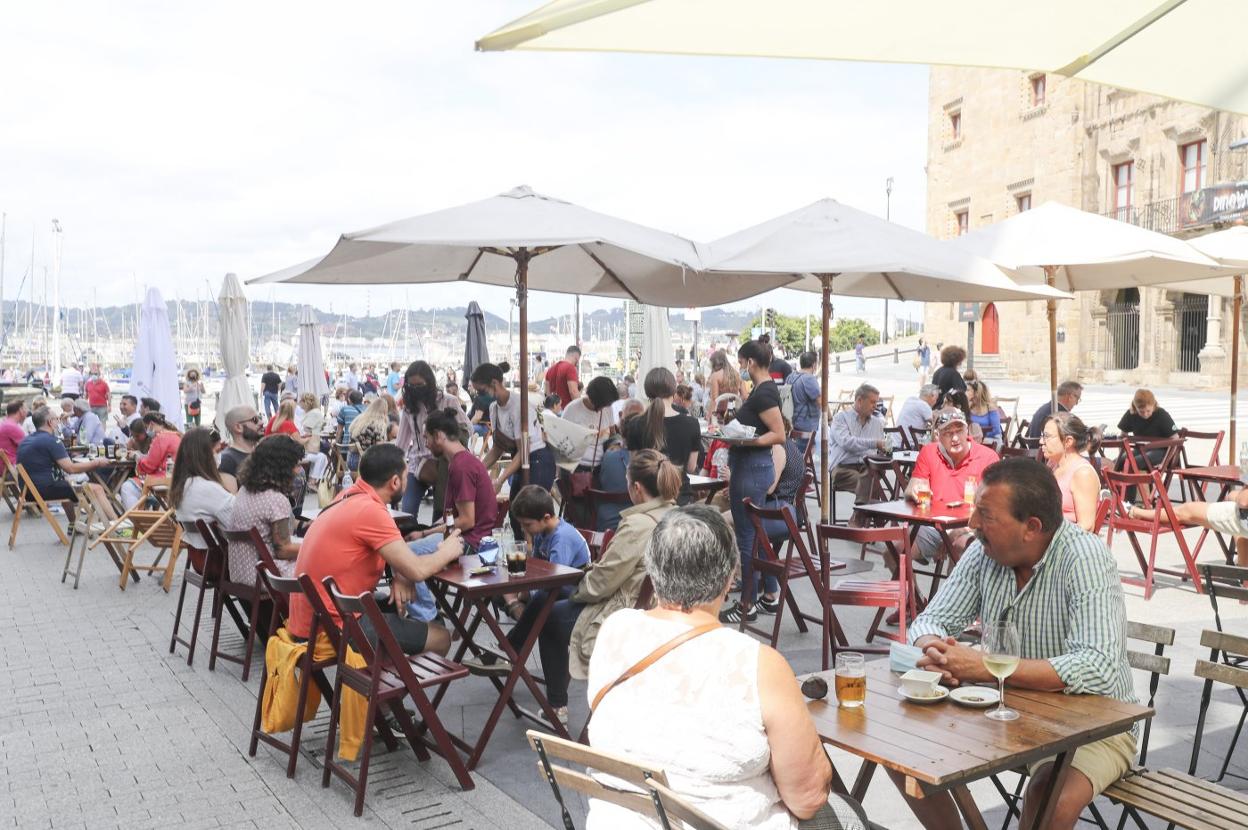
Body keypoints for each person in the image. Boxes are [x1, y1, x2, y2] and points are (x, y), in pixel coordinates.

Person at [587, 506, 868, 830]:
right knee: (849, 815)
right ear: (729, 577)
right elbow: (808, 797)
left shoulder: (615, 630)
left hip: (622, 821)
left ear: (652, 570)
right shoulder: (757, 663)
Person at [897, 458, 1136, 830]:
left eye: (986, 516)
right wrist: (936, 650)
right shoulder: (985, 552)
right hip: (1002, 713)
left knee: (1048, 796)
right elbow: (931, 620)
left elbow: (1097, 667)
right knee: (901, 750)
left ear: (1032, 527)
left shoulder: (1084, 558)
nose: (973, 525)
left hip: (1091, 725)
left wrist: (984, 665)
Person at [286, 443, 461, 656]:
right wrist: (448, 550)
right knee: (441, 638)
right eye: (406, 477)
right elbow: (418, 570)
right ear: (395, 482)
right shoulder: (371, 511)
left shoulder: (349, 496)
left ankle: (387, 677)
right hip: (334, 627)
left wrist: (401, 575)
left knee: (392, 604)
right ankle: (396, 686)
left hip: (313, 619)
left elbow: (395, 558)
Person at [463, 485, 589, 726]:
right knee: (511, 596)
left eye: (527, 525)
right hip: (556, 592)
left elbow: (554, 580)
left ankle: (510, 649)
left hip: (575, 595)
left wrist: (522, 595)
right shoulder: (543, 532)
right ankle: (511, 650)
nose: (524, 530)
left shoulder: (561, 538)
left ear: (546, 517)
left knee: (542, 605)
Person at [568, 449, 680, 680]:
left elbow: (602, 583)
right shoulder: (678, 515)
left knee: (549, 614)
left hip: (631, 614)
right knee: (550, 604)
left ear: (636, 488)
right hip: (667, 614)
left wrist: (574, 589)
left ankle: (557, 704)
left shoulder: (638, 525)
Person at [403, 409, 499, 622]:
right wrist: (424, 533)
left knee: (404, 555)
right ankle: (425, 612)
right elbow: (452, 518)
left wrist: (426, 532)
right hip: (469, 537)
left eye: (427, 437)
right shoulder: (460, 461)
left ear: (439, 436)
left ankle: (427, 617)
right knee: (408, 545)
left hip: (472, 543)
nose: (426, 444)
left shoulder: (461, 466)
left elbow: (466, 520)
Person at [721, 340, 787, 624]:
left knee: (746, 537)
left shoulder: (764, 393)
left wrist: (748, 440)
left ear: (749, 362)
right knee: (754, 534)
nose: (740, 368)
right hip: (752, 467)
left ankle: (746, 604)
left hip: (751, 468)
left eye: (741, 363)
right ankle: (769, 595)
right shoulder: (763, 390)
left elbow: (779, 433)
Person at [904, 411, 999, 559]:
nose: (955, 438)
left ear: (967, 430)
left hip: (971, 526)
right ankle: (912, 584)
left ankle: (956, 581)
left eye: (959, 431)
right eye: (948, 433)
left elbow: (995, 506)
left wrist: (958, 531)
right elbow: (912, 488)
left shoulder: (987, 457)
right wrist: (914, 491)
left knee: (962, 547)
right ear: (938, 435)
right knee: (896, 551)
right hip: (934, 525)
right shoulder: (929, 452)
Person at [395, 360, 471, 517]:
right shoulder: (409, 407)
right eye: (412, 386)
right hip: (418, 465)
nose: (416, 390)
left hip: (445, 464)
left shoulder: (449, 401)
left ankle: (431, 538)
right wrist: (394, 465)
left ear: (429, 382)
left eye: (420, 385)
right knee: (407, 511)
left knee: (442, 512)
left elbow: (466, 429)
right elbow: (401, 442)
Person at [224, 434, 304, 582]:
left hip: (241, 574)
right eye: (297, 465)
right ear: (283, 466)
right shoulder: (275, 499)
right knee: (326, 564)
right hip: (265, 576)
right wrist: (316, 548)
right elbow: (283, 550)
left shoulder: (245, 490)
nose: (299, 471)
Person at [17, 407, 114, 524]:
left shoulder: (26, 440)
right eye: (56, 419)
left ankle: (74, 525)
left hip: (27, 491)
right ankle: (117, 526)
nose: (58, 422)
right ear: (49, 422)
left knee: (65, 483)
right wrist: (97, 462)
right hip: (44, 490)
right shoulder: (51, 440)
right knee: (97, 489)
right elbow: (71, 468)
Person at [473, 362, 556, 495]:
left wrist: (500, 480)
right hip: (520, 460)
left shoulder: (518, 406)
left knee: (529, 511)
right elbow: (497, 448)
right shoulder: (494, 408)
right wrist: (478, 471)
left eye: (481, 391)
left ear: (494, 383)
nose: (479, 395)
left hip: (538, 460)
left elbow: (523, 450)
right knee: (515, 511)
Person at [624, 368, 701, 503]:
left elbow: (635, 465)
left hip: (648, 500)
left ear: (647, 392)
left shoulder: (635, 425)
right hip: (680, 496)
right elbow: (691, 467)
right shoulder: (692, 424)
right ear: (673, 391)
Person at [170, 426, 236, 550]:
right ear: (204, 454)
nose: (219, 456)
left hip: (202, 559)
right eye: (217, 451)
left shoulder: (184, 485)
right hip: (221, 561)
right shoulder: (207, 488)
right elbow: (239, 520)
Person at [826, 383, 888, 511]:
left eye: (876, 402)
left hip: (867, 467)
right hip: (842, 467)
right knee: (868, 483)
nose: (875, 406)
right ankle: (868, 519)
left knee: (871, 475)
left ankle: (860, 518)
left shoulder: (877, 423)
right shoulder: (840, 418)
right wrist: (875, 443)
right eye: (872, 402)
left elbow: (883, 448)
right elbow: (847, 443)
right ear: (859, 401)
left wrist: (886, 449)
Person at [1041, 413, 1101, 531]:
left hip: (1066, 544)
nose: (1041, 441)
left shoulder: (1082, 473)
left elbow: (1087, 526)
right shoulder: (1053, 464)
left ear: (1068, 441)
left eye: (1046, 436)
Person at [119, 413, 182, 510]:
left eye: (146, 427)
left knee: (127, 487)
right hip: (177, 479)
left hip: (165, 481)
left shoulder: (161, 438)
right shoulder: (175, 435)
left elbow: (149, 466)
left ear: (151, 424)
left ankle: (136, 520)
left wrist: (137, 458)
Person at [561, 375, 620, 474]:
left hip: (599, 467)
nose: (603, 408)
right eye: (602, 405)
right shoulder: (572, 409)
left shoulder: (607, 409)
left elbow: (613, 434)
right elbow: (561, 441)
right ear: (594, 399)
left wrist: (616, 443)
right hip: (575, 468)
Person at [218, 405, 263, 491]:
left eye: (260, 418)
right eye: (255, 420)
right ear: (238, 427)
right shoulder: (227, 460)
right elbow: (232, 500)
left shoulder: (261, 452)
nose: (261, 422)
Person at [786, 351, 821, 436]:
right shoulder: (809, 379)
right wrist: (830, 419)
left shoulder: (790, 377)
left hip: (792, 422)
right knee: (808, 448)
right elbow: (820, 401)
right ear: (814, 365)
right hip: (807, 425)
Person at [707, 349, 741, 419]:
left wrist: (709, 416)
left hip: (720, 414)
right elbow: (745, 396)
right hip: (734, 414)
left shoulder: (715, 376)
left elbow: (714, 400)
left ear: (714, 363)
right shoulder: (736, 375)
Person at [545, 345, 582, 410]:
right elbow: (573, 392)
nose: (576, 363)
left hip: (553, 411)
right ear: (576, 357)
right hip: (566, 410)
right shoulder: (570, 368)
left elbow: (547, 393)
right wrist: (580, 408)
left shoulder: (550, 369)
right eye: (577, 361)